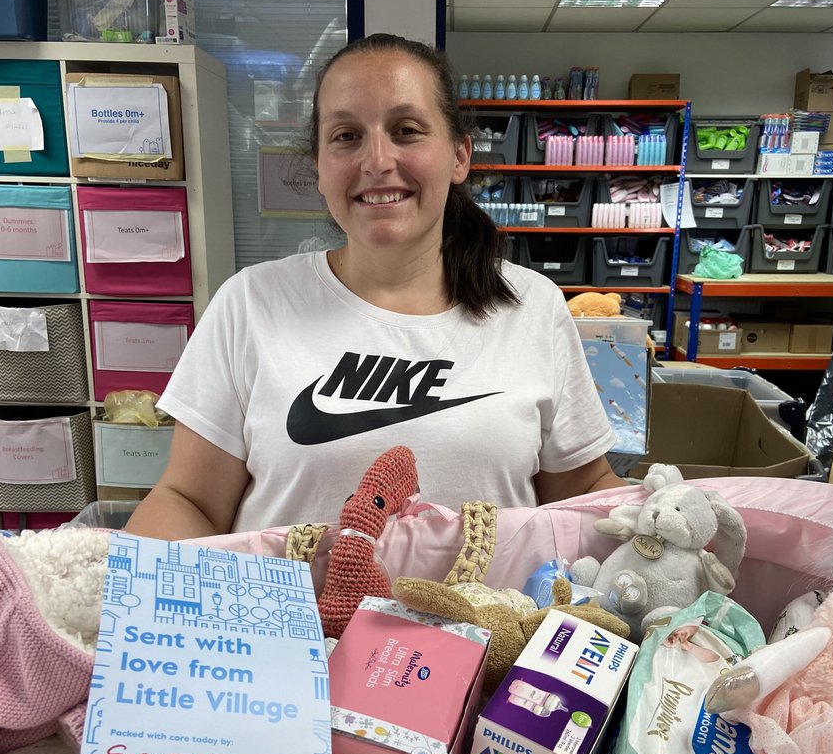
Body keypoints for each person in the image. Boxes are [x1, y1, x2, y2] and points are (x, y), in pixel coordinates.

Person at [125, 33, 625, 540]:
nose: (377, 160)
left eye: (406, 130)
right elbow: (190, 501)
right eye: (346, 136)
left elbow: (582, 492)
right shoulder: (250, 304)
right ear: (319, 167)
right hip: (290, 619)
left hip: (482, 619)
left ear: (459, 157)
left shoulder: (532, 305)